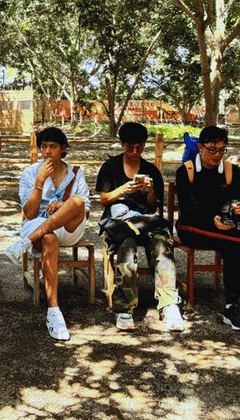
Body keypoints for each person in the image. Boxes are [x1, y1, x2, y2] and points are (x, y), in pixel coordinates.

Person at [175, 125, 240, 331]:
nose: (217, 155)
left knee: (231, 247)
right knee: (220, 236)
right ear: (200, 147)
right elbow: (189, 208)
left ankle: (231, 307)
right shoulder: (186, 171)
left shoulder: (232, 171)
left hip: (225, 230)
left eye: (222, 150)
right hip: (192, 227)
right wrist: (212, 219)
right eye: (212, 150)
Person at [95, 122, 185, 332]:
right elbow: (104, 199)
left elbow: (154, 206)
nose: (135, 152)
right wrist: (124, 189)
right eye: (130, 147)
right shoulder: (111, 167)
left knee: (162, 244)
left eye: (140, 147)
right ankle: (125, 307)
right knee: (126, 246)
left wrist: (151, 190)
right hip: (121, 224)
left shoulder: (151, 170)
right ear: (122, 144)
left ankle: (169, 303)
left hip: (147, 222)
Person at [4, 127, 90, 342]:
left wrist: (63, 206)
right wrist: (40, 183)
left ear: (63, 149)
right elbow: (29, 212)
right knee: (48, 238)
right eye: (44, 147)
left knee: (76, 201)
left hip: (69, 228)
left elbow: (84, 209)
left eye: (53, 147)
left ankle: (25, 243)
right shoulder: (31, 173)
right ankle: (54, 311)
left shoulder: (76, 173)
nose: (48, 152)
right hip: (38, 224)